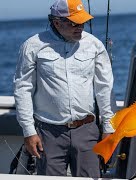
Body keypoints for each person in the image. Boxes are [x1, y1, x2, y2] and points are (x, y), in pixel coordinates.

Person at [13, 0, 115, 177]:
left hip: (87, 130)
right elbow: (23, 89)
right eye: (74, 23)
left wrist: (108, 128)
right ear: (56, 22)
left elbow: (105, 88)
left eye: (83, 22)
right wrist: (29, 131)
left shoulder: (95, 45)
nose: (80, 28)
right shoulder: (32, 46)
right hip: (48, 133)